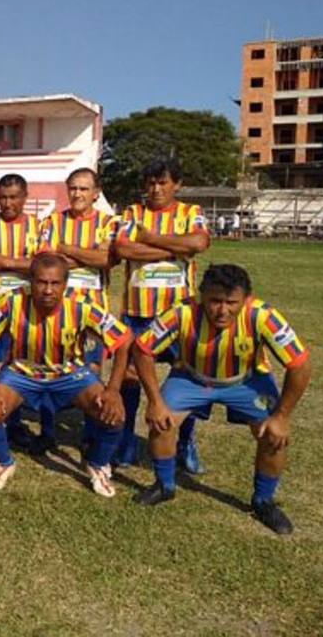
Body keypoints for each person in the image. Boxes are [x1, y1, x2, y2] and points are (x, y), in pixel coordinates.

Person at [132, 264, 311, 534]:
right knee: (161, 422)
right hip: (191, 378)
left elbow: (300, 364)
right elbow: (143, 348)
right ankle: (164, 486)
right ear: (202, 295)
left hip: (246, 380)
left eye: (231, 302)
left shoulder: (262, 315)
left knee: (274, 436)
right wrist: (155, 401)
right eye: (215, 301)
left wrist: (282, 416)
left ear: (246, 299)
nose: (222, 310)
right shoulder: (182, 312)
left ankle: (264, 501)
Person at [0, 253, 133, 496]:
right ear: (30, 281)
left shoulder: (81, 305)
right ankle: (5, 462)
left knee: (114, 415)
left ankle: (98, 463)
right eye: (41, 282)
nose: (48, 290)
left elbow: (123, 340)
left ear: (65, 284)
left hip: (69, 374)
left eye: (55, 283)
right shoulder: (11, 301)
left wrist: (112, 390)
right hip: (22, 372)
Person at [113, 157, 210, 472]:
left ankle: (185, 442)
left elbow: (199, 242)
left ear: (177, 184)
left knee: (187, 380)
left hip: (179, 316)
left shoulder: (190, 213)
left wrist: (151, 239)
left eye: (163, 183)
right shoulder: (133, 213)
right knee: (129, 379)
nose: (156, 189)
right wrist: (176, 249)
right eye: (151, 183)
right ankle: (125, 442)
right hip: (137, 313)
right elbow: (125, 250)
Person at [39, 167, 119, 453]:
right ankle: (47, 431)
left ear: (96, 193)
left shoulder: (109, 223)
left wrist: (66, 248)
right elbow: (48, 262)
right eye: (73, 188)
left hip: (94, 313)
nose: (78, 194)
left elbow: (107, 259)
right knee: (50, 367)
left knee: (93, 370)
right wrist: (90, 254)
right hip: (56, 312)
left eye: (84, 189)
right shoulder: (51, 221)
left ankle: (90, 432)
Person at [0, 174, 46, 447]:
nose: (8, 203)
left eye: (14, 197)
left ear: (25, 197)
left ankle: (13, 424)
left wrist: (4, 261)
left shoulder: (39, 227)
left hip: (25, 312)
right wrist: (26, 263)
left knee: (18, 367)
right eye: (3, 197)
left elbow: (44, 264)